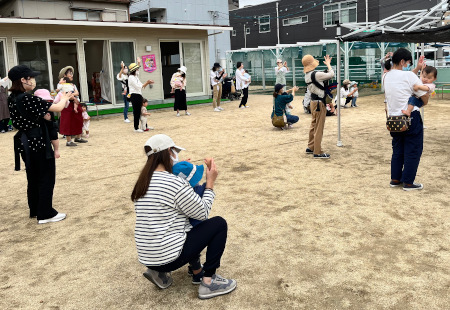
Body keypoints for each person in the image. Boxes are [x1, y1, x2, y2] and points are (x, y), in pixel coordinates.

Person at [131, 134, 237, 299]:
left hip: (147, 257)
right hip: (169, 257)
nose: (176, 156)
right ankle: (208, 282)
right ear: (168, 152)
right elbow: (202, 213)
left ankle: (161, 272)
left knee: (182, 226)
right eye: (174, 151)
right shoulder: (173, 183)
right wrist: (210, 183)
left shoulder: (143, 182)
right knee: (218, 224)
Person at [7, 65, 71, 223]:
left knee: (33, 176)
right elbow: (57, 107)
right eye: (31, 77)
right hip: (37, 141)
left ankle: (35, 209)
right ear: (23, 80)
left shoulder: (12, 98)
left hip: (24, 142)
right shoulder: (27, 98)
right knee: (46, 176)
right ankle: (46, 213)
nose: (34, 80)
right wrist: (64, 98)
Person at [383, 48, 429, 191]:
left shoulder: (386, 76)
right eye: (408, 62)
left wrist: (416, 69)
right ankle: (408, 182)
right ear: (402, 61)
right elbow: (423, 96)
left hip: (393, 119)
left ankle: (395, 179)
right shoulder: (409, 76)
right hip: (410, 118)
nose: (408, 65)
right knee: (413, 150)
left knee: (398, 150)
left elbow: (403, 78)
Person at [303, 54, 335, 159]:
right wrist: (329, 65)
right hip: (319, 103)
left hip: (313, 102)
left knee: (313, 125)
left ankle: (311, 146)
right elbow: (331, 74)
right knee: (319, 127)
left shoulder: (307, 75)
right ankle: (317, 151)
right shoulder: (316, 74)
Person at [172, 158, 212, 228]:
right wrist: (210, 167)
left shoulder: (177, 190)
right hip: (198, 225)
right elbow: (209, 182)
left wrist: (182, 167)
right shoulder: (197, 190)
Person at [56, 66, 86, 146]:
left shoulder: (72, 85)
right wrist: (73, 97)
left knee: (78, 118)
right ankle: (69, 141)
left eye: (72, 73)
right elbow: (62, 93)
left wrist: (73, 96)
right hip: (66, 104)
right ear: (64, 76)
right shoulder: (60, 85)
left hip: (74, 102)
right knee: (67, 121)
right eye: (70, 74)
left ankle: (78, 137)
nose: (71, 75)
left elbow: (77, 93)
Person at [128, 59, 154, 132]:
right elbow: (139, 87)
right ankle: (136, 128)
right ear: (134, 70)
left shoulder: (135, 76)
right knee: (136, 112)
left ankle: (145, 126)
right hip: (134, 96)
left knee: (142, 110)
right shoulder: (131, 78)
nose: (137, 70)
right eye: (136, 69)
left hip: (139, 95)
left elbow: (138, 72)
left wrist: (139, 63)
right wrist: (147, 82)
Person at [34, 89, 61, 158]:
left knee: (53, 133)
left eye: (48, 100)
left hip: (49, 126)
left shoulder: (49, 108)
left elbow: (53, 133)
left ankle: (56, 150)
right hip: (38, 131)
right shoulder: (34, 108)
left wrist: (48, 120)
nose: (47, 102)